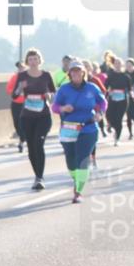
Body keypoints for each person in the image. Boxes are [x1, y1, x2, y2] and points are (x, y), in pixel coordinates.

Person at [52, 60, 106, 204]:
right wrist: (63, 108)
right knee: (71, 160)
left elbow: (102, 102)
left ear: (83, 72)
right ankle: (77, 180)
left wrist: (100, 114)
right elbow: (55, 107)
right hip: (69, 127)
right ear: (69, 73)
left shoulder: (92, 88)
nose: (76, 73)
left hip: (88, 128)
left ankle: (78, 191)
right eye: (73, 71)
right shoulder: (64, 89)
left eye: (78, 70)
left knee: (82, 159)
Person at [11, 49, 56, 190]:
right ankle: (36, 175)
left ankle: (40, 177)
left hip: (43, 116)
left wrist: (49, 96)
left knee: (38, 143)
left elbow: (54, 93)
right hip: (27, 116)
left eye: (35, 59)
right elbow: (14, 95)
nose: (33, 61)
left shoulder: (46, 75)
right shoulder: (22, 76)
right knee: (31, 147)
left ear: (39, 60)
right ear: (27, 61)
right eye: (30, 59)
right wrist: (19, 88)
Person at [104, 56, 132, 147]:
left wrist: (132, 95)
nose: (118, 65)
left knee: (119, 119)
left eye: (119, 63)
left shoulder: (126, 76)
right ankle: (110, 125)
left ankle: (117, 138)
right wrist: (107, 93)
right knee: (109, 115)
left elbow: (129, 89)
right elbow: (105, 87)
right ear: (113, 65)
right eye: (116, 63)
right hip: (112, 99)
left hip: (123, 100)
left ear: (122, 65)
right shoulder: (110, 75)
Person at [6, 60, 26, 152]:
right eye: (19, 67)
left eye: (22, 67)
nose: (20, 69)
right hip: (16, 103)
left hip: (26, 104)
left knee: (24, 123)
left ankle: (22, 142)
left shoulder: (29, 78)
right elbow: (9, 90)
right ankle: (22, 138)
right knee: (17, 123)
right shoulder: (14, 78)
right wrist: (16, 92)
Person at [125, 58, 134, 139]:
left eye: (130, 65)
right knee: (128, 116)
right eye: (127, 66)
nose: (128, 67)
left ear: (133, 66)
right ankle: (130, 133)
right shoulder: (124, 74)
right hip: (127, 97)